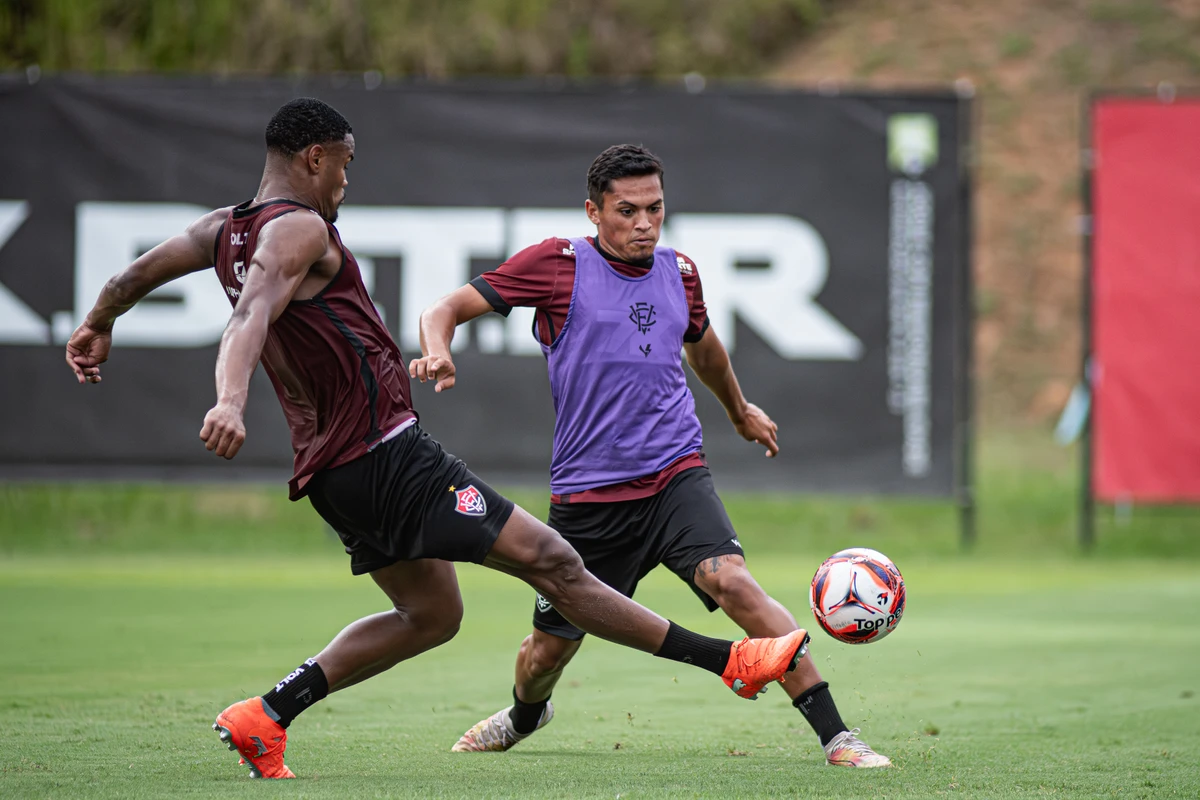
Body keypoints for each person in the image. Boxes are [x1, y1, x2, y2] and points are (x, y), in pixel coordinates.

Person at [63, 101, 810, 780]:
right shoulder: (301, 225)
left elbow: (133, 275)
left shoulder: (218, 230)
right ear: (317, 158)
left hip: (330, 473)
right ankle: (730, 661)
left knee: (433, 617)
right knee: (555, 561)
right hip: (385, 452)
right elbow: (251, 313)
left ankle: (266, 714)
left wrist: (98, 323)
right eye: (346, 165)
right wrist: (229, 399)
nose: (346, 183)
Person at [414, 144, 890, 768]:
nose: (644, 223)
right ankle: (526, 715)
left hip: (674, 473)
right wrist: (438, 348)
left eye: (655, 209)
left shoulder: (681, 273)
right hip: (589, 498)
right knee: (544, 656)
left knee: (734, 583)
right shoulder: (557, 266)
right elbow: (442, 309)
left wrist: (739, 411)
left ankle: (838, 736)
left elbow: (706, 350)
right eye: (627, 210)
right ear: (594, 212)